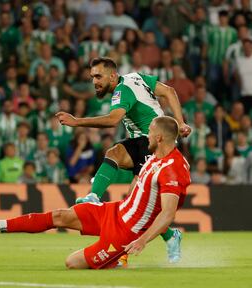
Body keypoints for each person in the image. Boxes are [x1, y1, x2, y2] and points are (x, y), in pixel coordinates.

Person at [0, 116, 191, 269]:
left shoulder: (173, 169)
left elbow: (167, 214)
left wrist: (142, 240)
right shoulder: (155, 157)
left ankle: (116, 257)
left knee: (72, 262)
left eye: (151, 134)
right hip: (114, 212)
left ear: (160, 138)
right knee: (60, 215)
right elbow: (141, 183)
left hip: (124, 233)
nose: (148, 138)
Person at [56, 57, 191, 263]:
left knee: (137, 205)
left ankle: (166, 238)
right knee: (114, 154)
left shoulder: (122, 90)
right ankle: (94, 196)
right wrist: (180, 123)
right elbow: (169, 92)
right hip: (140, 141)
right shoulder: (137, 77)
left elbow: (113, 120)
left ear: (113, 75)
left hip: (154, 142)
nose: (95, 81)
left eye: (98, 76)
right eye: (92, 77)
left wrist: (77, 122)